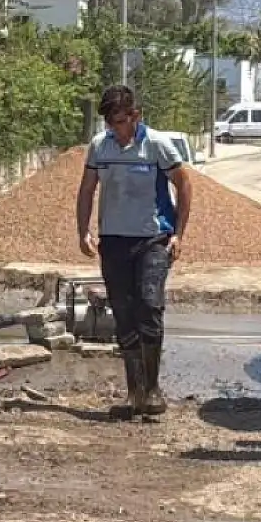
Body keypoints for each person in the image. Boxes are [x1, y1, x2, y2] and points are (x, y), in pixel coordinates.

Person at [75, 85, 194, 417]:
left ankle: (153, 389)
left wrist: (179, 234)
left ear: (135, 116)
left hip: (153, 240)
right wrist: (82, 230)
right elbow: (87, 189)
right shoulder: (100, 148)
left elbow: (184, 185)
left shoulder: (157, 145)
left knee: (148, 303)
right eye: (110, 123)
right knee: (123, 311)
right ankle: (134, 392)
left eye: (120, 121)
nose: (115, 128)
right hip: (113, 240)